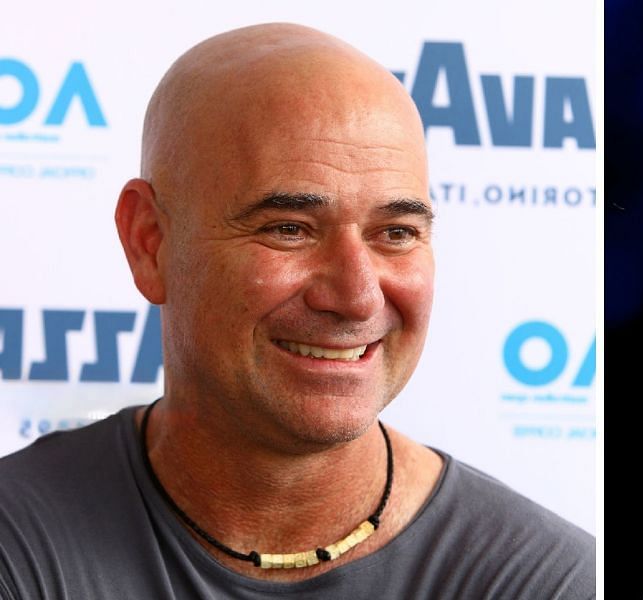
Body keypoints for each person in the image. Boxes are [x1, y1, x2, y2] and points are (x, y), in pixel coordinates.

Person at [0, 23, 594, 599]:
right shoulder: (18, 538)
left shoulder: (549, 580)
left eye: (395, 233)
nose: (358, 295)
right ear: (149, 242)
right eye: (290, 229)